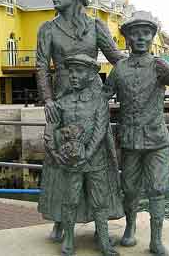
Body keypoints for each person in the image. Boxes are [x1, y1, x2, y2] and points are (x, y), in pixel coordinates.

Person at [103, 11, 169, 256]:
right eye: (135, 34)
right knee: (129, 188)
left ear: (151, 37)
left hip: (156, 139)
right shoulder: (119, 69)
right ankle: (129, 229)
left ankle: (156, 240)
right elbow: (103, 95)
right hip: (129, 139)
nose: (140, 38)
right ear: (127, 38)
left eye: (146, 33)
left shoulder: (158, 64)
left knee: (158, 188)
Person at [36, 0, 126, 240]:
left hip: (92, 101)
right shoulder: (47, 28)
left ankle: (103, 221)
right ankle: (61, 219)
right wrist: (48, 99)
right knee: (60, 159)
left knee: (99, 157)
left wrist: (109, 89)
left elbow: (117, 59)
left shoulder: (96, 25)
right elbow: (41, 66)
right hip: (62, 101)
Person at [46, 54, 120, 256]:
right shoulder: (62, 102)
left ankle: (104, 240)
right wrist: (54, 150)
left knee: (99, 200)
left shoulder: (99, 102)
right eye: (70, 71)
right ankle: (69, 239)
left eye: (79, 71)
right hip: (71, 163)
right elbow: (51, 128)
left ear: (90, 75)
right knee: (70, 199)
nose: (73, 75)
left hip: (95, 161)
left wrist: (87, 154)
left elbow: (100, 130)